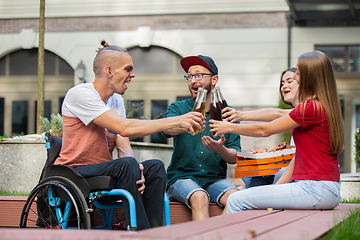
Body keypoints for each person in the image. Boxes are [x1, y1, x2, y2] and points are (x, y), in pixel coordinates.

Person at [54, 41, 205, 230]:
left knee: (155, 167)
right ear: (109, 71)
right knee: (127, 165)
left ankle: (155, 230)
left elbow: (123, 145)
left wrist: (139, 173)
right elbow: (124, 127)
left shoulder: (116, 100)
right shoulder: (80, 94)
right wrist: (177, 121)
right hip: (74, 171)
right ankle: (141, 233)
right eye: (128, 69)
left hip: (104, 169)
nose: (132, 75)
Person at [210, 51, 344, 212]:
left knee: (235, 200)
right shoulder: (320, 106)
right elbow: (279, 116)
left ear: (310, 76)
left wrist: (229, 127)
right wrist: (274, 190)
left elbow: (264, 130)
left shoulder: (310, 107)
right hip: (324, 189)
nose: (295, 78)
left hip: (314, 189)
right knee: (244, 194)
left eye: (298, 74)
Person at [162, 55, 241, 220]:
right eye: (189, 76)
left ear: (214, 79)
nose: (192, 80)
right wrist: (185, 123)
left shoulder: (228, 113)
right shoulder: (178, 108)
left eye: (198, 75)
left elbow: (235, 157)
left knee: (237, 198)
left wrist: (220, 149)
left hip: (214, 179)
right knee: (199, 196)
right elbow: (167, 130)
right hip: (181, 178)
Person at [222, 68, 298, 188]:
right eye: (282, 83)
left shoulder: (307, 110)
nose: (284, 86)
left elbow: (265, 128)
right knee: (247, 168)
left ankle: (262, 194)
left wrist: (230, 125)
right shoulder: (297, 111)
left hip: (302, 176)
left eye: (289, 81)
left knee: (277, 174)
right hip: (292, 168)